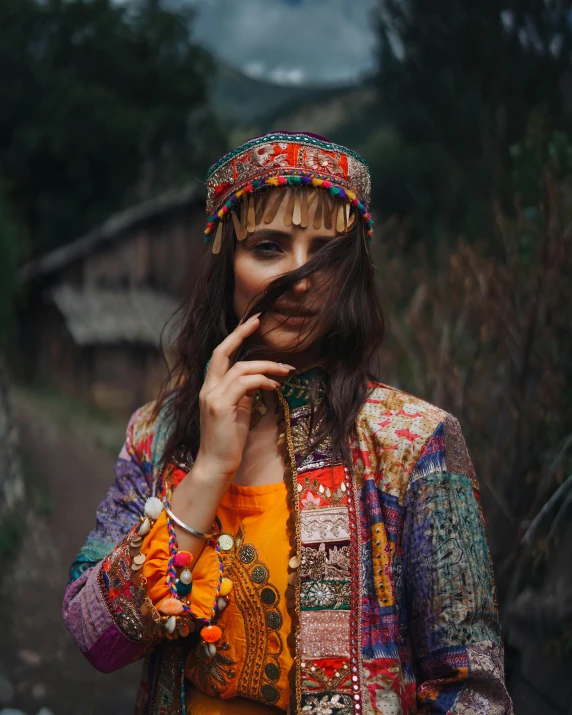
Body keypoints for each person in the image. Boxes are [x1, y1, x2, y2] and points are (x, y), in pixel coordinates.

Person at [63, 132, 513, 715]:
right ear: (228, 264)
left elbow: (470, 693)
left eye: (325, 252)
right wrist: (209, 471)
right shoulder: (157, 432)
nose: (299, 279)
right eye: (269, 247)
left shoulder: (413, 444)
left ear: (350, 272)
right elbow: (94, 636)